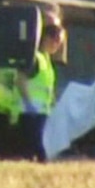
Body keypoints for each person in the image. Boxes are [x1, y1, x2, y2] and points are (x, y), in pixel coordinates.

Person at [15, 13, 65, 161]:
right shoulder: (35, 58)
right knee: (35, 149)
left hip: (41, 112)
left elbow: (46, 86)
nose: (58, 47)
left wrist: (54, 101)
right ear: (49, 39)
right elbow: (20, 79)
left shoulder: (47, 60)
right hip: (30, 112)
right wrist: (28, 102)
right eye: (57, 42)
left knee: (38, 149)